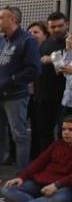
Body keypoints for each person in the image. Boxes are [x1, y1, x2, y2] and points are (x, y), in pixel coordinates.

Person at [0, 6, 42, 182]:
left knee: (19, 135)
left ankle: (22, 175)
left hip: (15, 97)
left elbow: (34, 69)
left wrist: (10, 81)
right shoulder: (1, 41)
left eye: (1, 18)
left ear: (12, 19)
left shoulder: (27, 41)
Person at [0, 115, 72, 202]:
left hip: (63, 188)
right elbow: (39, 162)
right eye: (64, 129)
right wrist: (22, 177)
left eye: (70, 130)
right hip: (40, 182)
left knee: (60, 199)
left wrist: (57, 185)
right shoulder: (57, 144)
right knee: (8, 188)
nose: (65, 132)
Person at [31, 11, 69, 158]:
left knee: (63, 134)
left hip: (64, 99)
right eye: (53, 27)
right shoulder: (46, 43)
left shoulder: (70, 43)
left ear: (67, 24)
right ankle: (45, 163)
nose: (57, 29)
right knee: (42, 133)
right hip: (42, 97)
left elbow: (64, 68)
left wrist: (52, 60)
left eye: (60, 26)